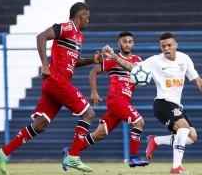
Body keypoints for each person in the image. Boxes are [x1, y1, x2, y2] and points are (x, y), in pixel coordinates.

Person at [0, 2, 103, 174]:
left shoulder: (79, 36)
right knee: (88, 113)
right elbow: (41, 37)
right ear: (81, 16)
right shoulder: (66, 27)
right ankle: (73, 156)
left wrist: (92, 61)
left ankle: (2, 153)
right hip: (56, 80)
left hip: (56, 84)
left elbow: (75, 62)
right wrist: (45, 64)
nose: (88, 20)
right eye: (87, 17)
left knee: (40, 125)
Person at [101, 32, 202, 174]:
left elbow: (198, 81)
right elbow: (133, 67)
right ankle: (176, 167)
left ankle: (156, 140)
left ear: (176, 45)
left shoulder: (185, 59)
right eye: (163, 46)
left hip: (176, 105)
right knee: (183, 128)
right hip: (162, 103)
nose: (166, 49)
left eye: (169, 45)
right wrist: (115, 57)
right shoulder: (155, 61)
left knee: (191, 137)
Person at [62, 31, 149, 171]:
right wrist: (94, 92)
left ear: (133, 44)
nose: (127, 44)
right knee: (139, 122)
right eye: (124, 41)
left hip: (123, 101)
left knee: (99, 134)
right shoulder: (112, 60)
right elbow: (93, 72)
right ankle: (133, 157)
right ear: (119, 44)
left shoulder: (138, 60)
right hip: (116, 100)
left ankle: (70, 151)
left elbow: (141, 74)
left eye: (130, 41)